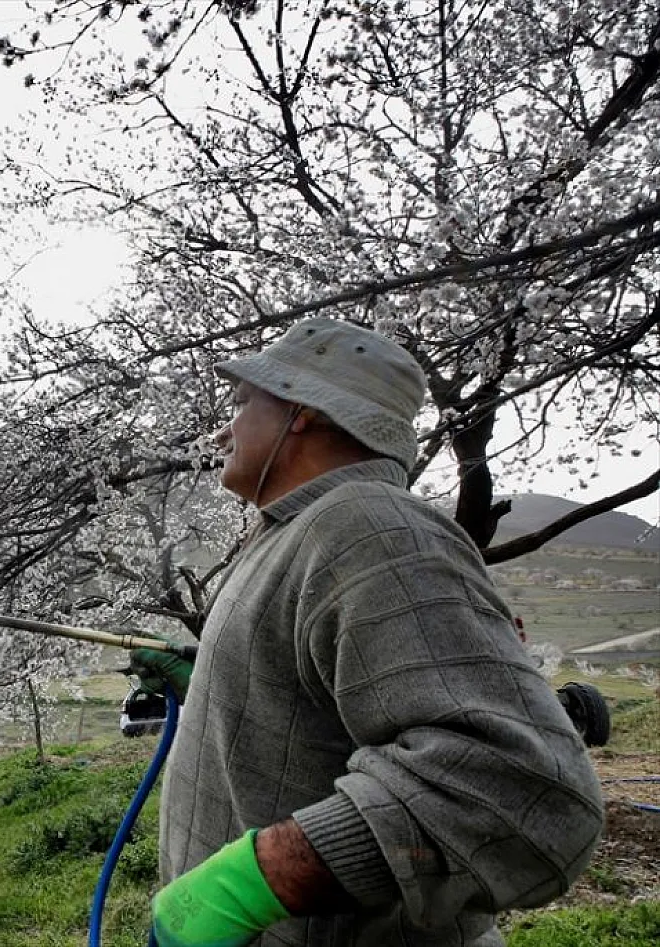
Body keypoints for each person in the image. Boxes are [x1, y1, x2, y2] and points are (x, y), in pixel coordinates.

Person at [129, 318, 603, 946]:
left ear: (301, 410)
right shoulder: (302, 531)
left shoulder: (370, 529)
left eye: (242, 404)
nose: (222, 430)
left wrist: (249, 883)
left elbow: (522, 789)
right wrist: (216, 684)